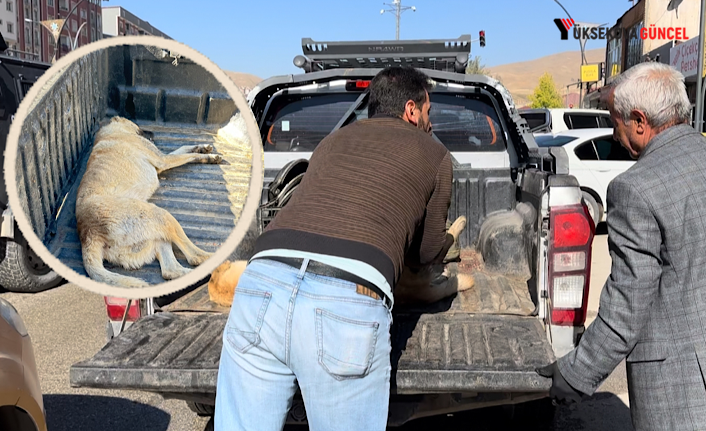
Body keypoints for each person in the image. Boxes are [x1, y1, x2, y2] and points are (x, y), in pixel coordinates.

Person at [214, 66, 455, 431]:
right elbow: (425, 254)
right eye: (428, 112)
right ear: (410, 110)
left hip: (260, 283)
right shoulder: (436, 155)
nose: (430, 123)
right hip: (345, 303)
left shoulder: (331, 141)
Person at [536, 61, 706, 430]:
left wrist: (576, 374)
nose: (615, 135)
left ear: (641, 121)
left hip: (682, 391)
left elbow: (628, 301)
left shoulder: (635, 188)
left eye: (616, 123)